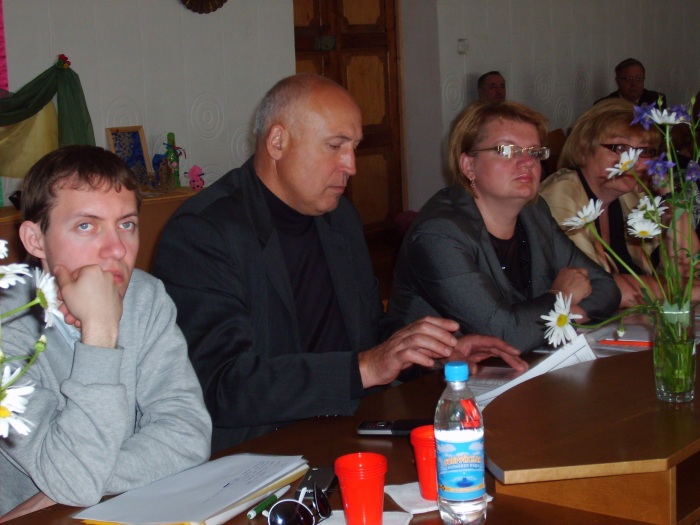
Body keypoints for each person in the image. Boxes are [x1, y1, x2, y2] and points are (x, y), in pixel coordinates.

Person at [152, 74, 527, 453]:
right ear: (278, 142)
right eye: (335, 146)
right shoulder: (204, 232)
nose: (351, 165)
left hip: (353, 428)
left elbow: (367, 332)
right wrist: (364, 368)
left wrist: (432, 352)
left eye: (354, 148)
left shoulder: (339, 218)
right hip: (261, 450)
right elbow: (222, 385)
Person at [0, 146, 212, 518]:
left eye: (126, 224)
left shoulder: (144, 297)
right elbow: (75, 482)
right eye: (86, 226)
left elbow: (188, 434)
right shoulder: (7, 328)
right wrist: (100, 331)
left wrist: (87, 480)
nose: (116, 249)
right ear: (35, 240)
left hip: (118, 509)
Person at [388, 101, 620, 352]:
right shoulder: (439, 235)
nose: (527, 162)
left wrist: (565, 316)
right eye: (507, 150)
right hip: (439, 374)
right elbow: (506, 335)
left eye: (534, 152)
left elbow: (606, 288)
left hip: (521, 364)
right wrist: (560, 297)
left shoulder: (534, 212)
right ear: (468, 166)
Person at [541, 99, 700, 308]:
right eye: (620, 147)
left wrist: (669, 195)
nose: (632, 161)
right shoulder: (560, 196)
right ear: (584, 150)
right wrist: (684, 291)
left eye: (644, 151)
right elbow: (593, 287)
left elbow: (687, 267)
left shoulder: (629, 196)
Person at [594, 58, 666, 108]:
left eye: (638, 78)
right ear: (617, 81)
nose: (634, 84)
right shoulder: (604, 105)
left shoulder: (656, 99)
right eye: (629, 79)